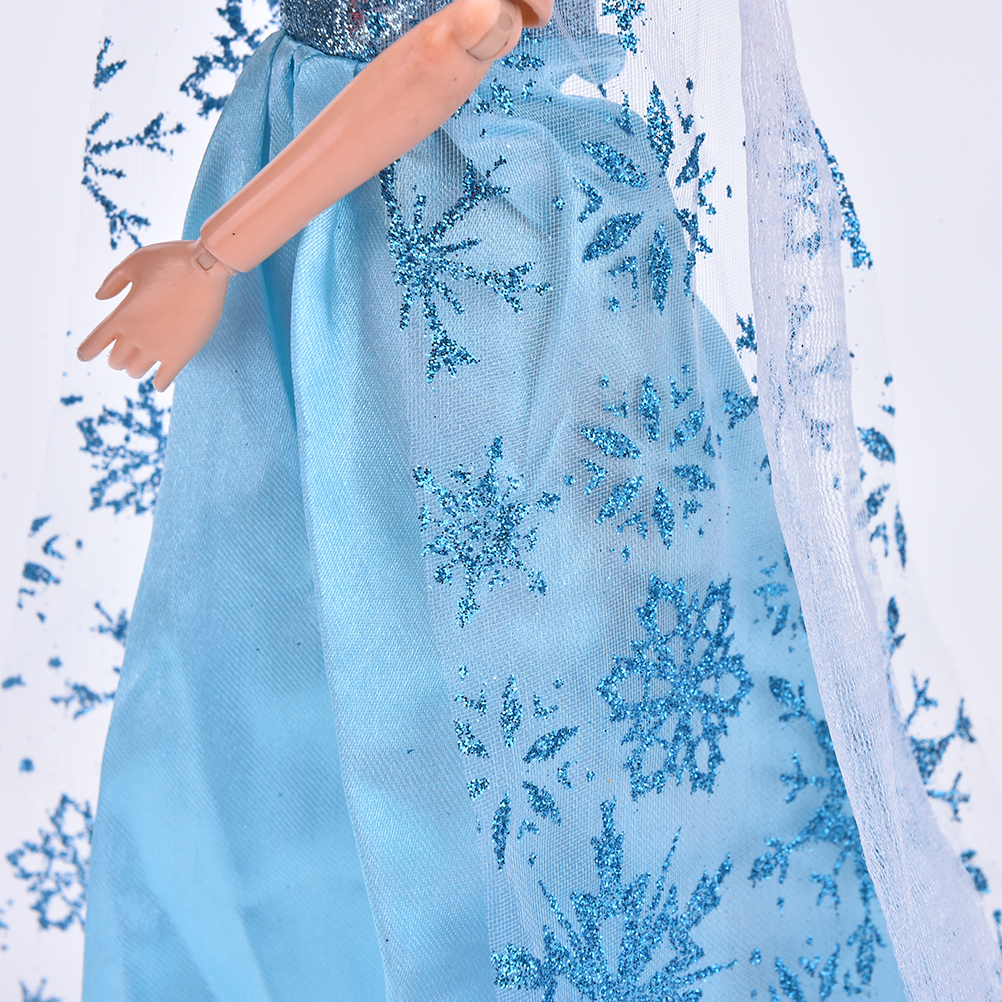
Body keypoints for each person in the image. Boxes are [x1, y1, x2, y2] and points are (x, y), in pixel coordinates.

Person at [77, 0, 1002, 998]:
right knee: (293, 632)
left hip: (449, 244)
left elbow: (451, 42)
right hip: (325, 207)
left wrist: (216, 254)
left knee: (517, 659)